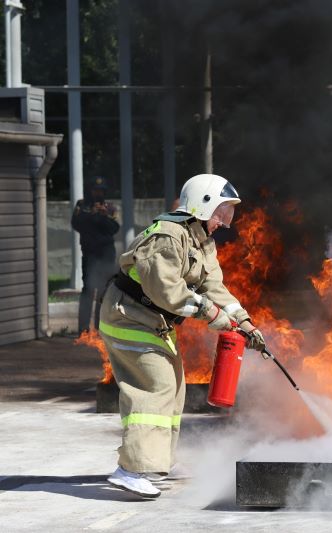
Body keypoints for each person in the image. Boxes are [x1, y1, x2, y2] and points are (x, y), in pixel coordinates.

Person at [98, 173, 267, 498]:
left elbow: (213, 287)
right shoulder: (168, 236)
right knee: (154, 386)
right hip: (127, 317)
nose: (225, 221)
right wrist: (212, 315)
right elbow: (168, 292)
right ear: (201, 205)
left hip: (150, 320)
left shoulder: (201, 241)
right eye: (221, 212)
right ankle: (131, 470)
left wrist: (245, 323)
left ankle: (158, 460)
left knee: (174, 387)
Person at [71, 176, 120, 333]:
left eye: (101, 191)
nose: (98, 193)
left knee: (104, 292)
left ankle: (102, 328)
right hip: (90, 254)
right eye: (95, 190)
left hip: (106, 255)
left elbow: (114, 228)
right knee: (88, 290)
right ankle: (83, 330)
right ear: (90, 191)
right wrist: (93, 215)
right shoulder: (82, 205)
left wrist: (102, 216)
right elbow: (76, 223)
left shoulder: (110, 207)